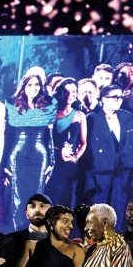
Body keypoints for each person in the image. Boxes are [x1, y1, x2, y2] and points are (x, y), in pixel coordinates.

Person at [2, 72, 57, 232]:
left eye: (37, 85)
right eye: (30, 84)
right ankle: (16, 233)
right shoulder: (12, 107)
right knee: (16, 196)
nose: (33, 88)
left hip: (40, 156)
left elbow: (50, 138)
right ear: (23, 87)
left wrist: (52, 163)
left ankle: (35, 233)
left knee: (37, 194)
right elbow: (7, 138)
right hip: (17, 154)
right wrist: (4, 164)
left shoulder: (48, 108)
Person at [79, 84, 133, 213]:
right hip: (99, 177)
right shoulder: (91, 119)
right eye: (114, 97)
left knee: (118, 216)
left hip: (123, 175)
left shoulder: (129, 118)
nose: (118, 100)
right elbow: (86, 153)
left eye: (120, 97)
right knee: (99, 216)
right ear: (103, 99)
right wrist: (89, 180)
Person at [45, 77, 88, 212]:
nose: (70, 95)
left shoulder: (80, 115)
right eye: (67, 92)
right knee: (50, 197)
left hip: (69, 164)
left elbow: (83, 142)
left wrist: (75, 157)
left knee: (66, 200)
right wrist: (58, 152)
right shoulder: (50, 113)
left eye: (73, 92)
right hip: (51, 162)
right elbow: (44, 140)